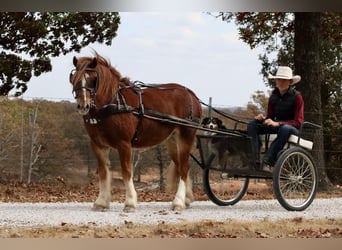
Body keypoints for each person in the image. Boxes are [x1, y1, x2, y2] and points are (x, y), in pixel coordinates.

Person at [247, 66, 304, 172]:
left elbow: (298, 122)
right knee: (252, 124)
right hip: (276, 126)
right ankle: (254, 160)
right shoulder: (273, 97)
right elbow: (270, 117)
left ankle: (269, 160)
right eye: (278, 79)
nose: (280, 82)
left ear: (290, 82)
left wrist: (279, 124)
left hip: (291, 129)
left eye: (284, 80)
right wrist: (263, 119)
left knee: (285, 128)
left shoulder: (297, 97)